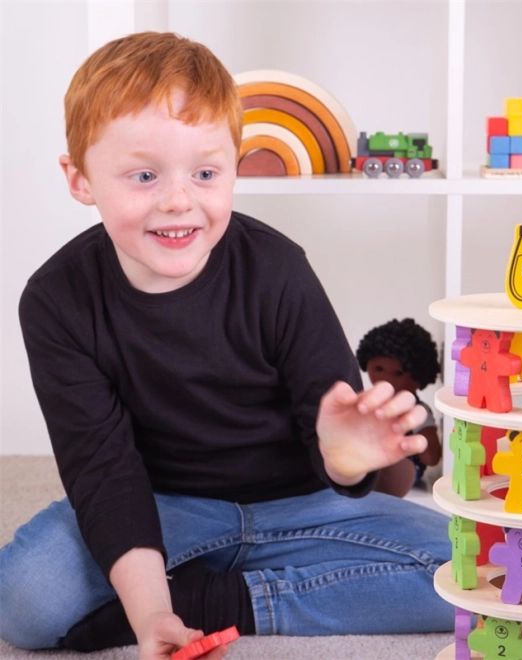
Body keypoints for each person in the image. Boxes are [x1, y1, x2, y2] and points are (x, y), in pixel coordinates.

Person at [0, 32, 453, 659]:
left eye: (206, 173)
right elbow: (103, 472)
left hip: (301, 506)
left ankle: (226, 601)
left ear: (235, 168)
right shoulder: (57, 298)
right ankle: (167, 597)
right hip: (162, 509)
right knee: (24, 599)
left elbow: (336, 437)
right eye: (144, 175)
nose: (178, 200)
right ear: (81, 179)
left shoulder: (278, 269)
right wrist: (148, 607)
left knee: (477, 573)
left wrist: (345, 459)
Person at [356, 318, 442, 497]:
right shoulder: (368, 401)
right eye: (379, 369)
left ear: (419, 377)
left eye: (398, 373)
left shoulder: (416, 410)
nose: (387, 379)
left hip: (402, 465)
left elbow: (431, 457)